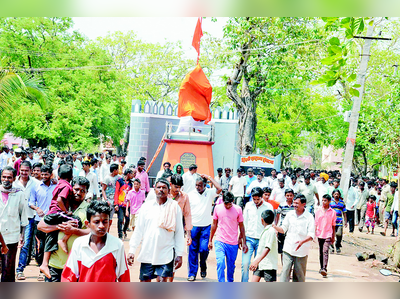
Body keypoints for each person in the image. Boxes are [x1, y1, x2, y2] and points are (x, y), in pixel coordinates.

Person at [127, 179, 185, 282]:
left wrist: (179, 254)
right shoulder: (146, 207)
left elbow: (179, 232)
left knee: (162, 281)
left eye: (164, 188)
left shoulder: (174, 207)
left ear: (169, 190)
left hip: (166, 253)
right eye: (159, 187)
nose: (161, 190)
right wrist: (132, 250)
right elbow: (138, 230)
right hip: (148, 252)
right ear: (154, 189)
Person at [37, 176, 91, 282]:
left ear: (86, 192)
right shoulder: (61, 204)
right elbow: (41, 226)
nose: (78, 193)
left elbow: (94, 232)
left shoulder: (89, 209)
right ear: (71, 188)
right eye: (76, 189)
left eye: (82, 191)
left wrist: (75, 231)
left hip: (77, 265)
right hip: (55, 263)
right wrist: (59, 227)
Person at [61, 201, 130, 282]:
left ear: (110, 223)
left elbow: (124, 277)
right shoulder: (79, 244)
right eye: (96, 222)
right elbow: (69, 276)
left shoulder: (117, 245)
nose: (101, 226)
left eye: (105, 222)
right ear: (88, 224)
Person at [272, 194, 315, 282]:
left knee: (299, 276)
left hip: (301, 251)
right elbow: (283, 229)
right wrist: (275, 227)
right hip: (288, 249)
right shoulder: (290, 214)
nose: (294, 205)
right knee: (285, 273)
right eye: (294, 203)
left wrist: (302, 242)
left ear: (304, 204)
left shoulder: (309, 217)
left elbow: (311, 235)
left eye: (297, 203)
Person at [187, 174, 222, 281]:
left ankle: (203, 265)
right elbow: (187, 213)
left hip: (206, 227)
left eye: (200, 185)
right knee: (192, 250)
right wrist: (188, 230)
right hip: (194, 226)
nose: (197, 187)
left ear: (205, 185)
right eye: (196, 185)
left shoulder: (210, 192)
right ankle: (192, 273)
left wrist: (209, 177)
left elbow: (219, 188)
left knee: (203, 249)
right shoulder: (190, 194)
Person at [208, 191, 248, 282]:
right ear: (223, 201)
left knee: (231, 266)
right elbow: (214, 224)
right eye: (226, 204)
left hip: (233, 243)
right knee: (220, 262)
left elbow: (241, 226)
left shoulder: (238, 209)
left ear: (233, 201)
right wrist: (210, 240)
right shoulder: (217, 208)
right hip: (220, 241)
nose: (228, 206)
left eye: (230, 204)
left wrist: (243, 241)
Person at [27, 165, 56, 281]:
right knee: (40, 247)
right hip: (40, 222)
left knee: (52, 247)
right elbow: (30, 202)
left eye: (46, 174)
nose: (44, 176)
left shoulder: (56, 185)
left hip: (53, 221)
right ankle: (41, 269)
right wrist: (37, 208)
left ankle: (49, 269)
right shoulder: (36, 187)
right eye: (42, 174)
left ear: (50, 175)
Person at [0, 166, 28, 282]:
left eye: (9, 177)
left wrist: (22, 235)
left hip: (12, 236)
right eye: (4, 177)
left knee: (9, 268)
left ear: (14, 178)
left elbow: (23, 216)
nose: (6, 180)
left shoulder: (19, 194)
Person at [14, 161, 40, 280]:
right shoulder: (13, 183)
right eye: (22, 170)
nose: (24, 173)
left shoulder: (35, 183)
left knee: (25, 244)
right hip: (13, 218)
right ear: (19, 169)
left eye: (26, 170)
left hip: (29, 217)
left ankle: (20, 269)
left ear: (30, 171)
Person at [241, 187, 273, 282]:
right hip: (249, 239)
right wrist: (242, 240)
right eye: (254, 199)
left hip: (261, 240)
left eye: (258, 199)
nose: (255, 201)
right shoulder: (248, 205)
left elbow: (270, 225)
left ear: (262, 196)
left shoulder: (268, 207)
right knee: (245, 264)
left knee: (258, 265)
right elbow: (244, 222)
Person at [249, 210, 278, 282]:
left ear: (262, 219)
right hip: (260, 263)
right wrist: (256, 261)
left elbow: (267, 248)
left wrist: (256, 261)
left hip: (269, 264)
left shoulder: (271, 231)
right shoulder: (265, 230)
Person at [314, 194, 336, 277]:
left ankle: (324, 268)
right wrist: (314, 233)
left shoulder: (332, 212)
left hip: (328, 234)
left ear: (329, 201)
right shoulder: (318, 211)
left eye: (325, 200)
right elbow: (316, 223)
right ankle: (321, 267)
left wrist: (333, 237)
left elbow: (333, 225)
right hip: (320, 233)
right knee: (320, 252)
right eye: (322, 200)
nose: (323, 202)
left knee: (325, 251)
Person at [275, 189, 295, 260]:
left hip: (293, 228)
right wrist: (276, 227)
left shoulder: (295, 205)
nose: (289, 197)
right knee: (283, 249)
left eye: (291, 195)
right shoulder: (282, 205)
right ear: (285, 196)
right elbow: (277, 216)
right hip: (283, 228)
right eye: (287, 195)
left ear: (293, 196)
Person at [114, 168, 134, 239]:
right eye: (131, 174)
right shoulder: (119, 181)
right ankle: (120, 235)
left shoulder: (131, 183)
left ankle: (124, 230)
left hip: (127, 204)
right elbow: (116, 192)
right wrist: (116, 204)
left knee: (127, 219)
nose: (132, 175)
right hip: (120, 203)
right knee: (120, 219)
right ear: (128, 174)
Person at [330, 190, 347, 254]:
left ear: (339, 195)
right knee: (331, 235)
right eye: (335, 194)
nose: (336, 195)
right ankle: (331, 247)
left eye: (337, 194)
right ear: (333, 195)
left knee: (339, 234)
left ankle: (338, 245)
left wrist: (345, 221)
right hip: (331, 221)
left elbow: (344, 212)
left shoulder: (342, 203)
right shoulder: (330, 202)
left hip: (339, 221)